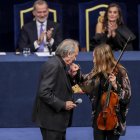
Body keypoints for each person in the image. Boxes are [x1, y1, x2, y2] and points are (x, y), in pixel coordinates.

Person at [70, 44, 131, 140]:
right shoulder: (97, 71)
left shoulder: (121, 72)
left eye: (95, 57)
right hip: (99, 116)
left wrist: (115, 85)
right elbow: (85, 82)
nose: (93, 60)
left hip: (115, 118)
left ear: (102, 58)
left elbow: (127, 97)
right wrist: (76, 73)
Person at [32, 39, 79, 140]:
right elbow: (44, 92)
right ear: (67, 53)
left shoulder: (60, 64)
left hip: (56, 120)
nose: (75, 58)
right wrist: (63, 104)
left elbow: (60, 85)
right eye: (75, 55)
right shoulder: (54, 65)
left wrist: (70, 76)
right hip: (51, 121)